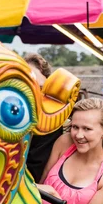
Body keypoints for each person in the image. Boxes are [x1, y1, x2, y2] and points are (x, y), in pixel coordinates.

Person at [24, 53, 63, 182]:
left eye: (39, 87)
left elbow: (35, 172)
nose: (34, 94)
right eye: (28, 86)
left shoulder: (50, 124)